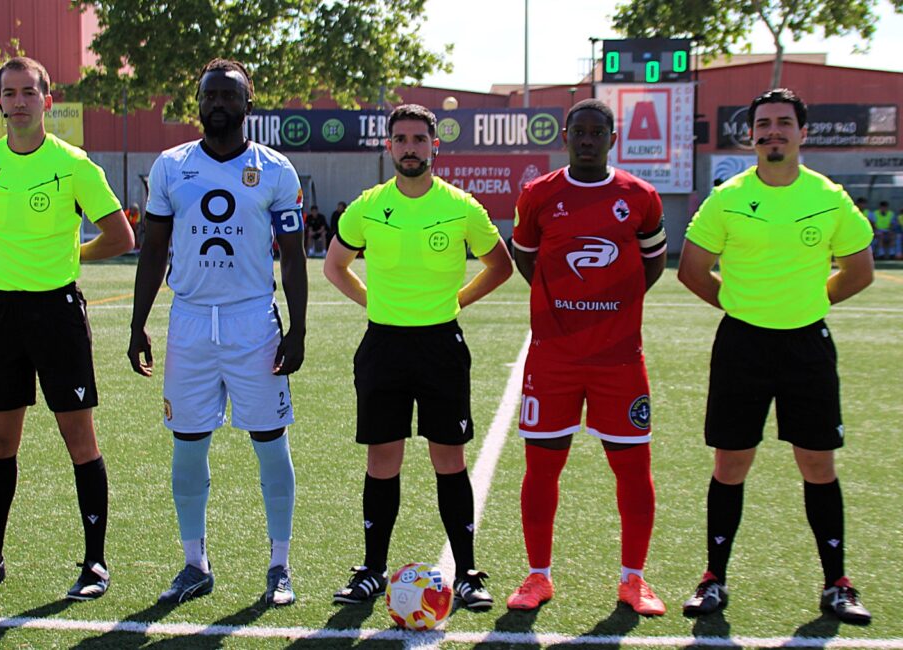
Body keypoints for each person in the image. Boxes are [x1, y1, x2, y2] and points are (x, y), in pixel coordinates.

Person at [677, 88, 874, 624]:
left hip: (807, 345)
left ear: (802, 132)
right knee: (730, 463)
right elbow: (692, 270)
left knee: (818, 464)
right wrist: (745, 307)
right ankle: (714, 578)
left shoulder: (829, 197)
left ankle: (837, 584)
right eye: (763, 124)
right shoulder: (727, 198)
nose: (773, 132)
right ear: (751, 135)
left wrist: (807, 305)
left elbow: (859, 270)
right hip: (742, 344)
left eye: (783, 123)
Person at [0, 56, 134, 600]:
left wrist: (70, 257)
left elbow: (121, 237)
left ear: (47, 101)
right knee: (0, 440)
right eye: (10, 93)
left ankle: (95, 564)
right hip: (1, 313)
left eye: (30, 92)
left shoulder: (74, 165)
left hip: (57, 314)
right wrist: (5, 255)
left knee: (80, 439)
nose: (20, 101)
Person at [128, 58, 306, 607]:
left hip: (253, 321)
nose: (219, 104)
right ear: (199, 103)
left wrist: (298, 328)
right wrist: (137, 323)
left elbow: (293, 257)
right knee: (187, 444)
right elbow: (153, 249)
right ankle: (194, 564)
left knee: (270, 442)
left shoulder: (275, 170)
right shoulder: (170, 166)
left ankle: (279, 565)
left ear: (248, 104)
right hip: (188, 322)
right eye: (210, 96)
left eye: (229, 96)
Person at [324, 104, 513, 610]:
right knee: (382, 459)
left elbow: (500, 266)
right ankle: (372, 570)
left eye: (419, 139)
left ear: (435, 146)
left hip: (440, 347)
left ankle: (467, 572)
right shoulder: (367, 206)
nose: (410, 148)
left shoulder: (461, 206)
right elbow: (335, 266)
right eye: (401, 139)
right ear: (389, 146)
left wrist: (457, 302)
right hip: (383, 346)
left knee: (449, 459)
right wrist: (374, 304)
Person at [505, 99, 668, 616]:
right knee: (541, 468)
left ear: (613, 138)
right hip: (553, 359)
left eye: (599, 132)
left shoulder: (640, 197)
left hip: (619, 360)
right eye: (581, 131)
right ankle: (538, 576)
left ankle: (634, 580)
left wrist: (613, 306)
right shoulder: (539, 193)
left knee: (633, 469)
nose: (589, 140)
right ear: (567, 136)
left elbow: (653, 263)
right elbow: (526, 257)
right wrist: (561, 306)